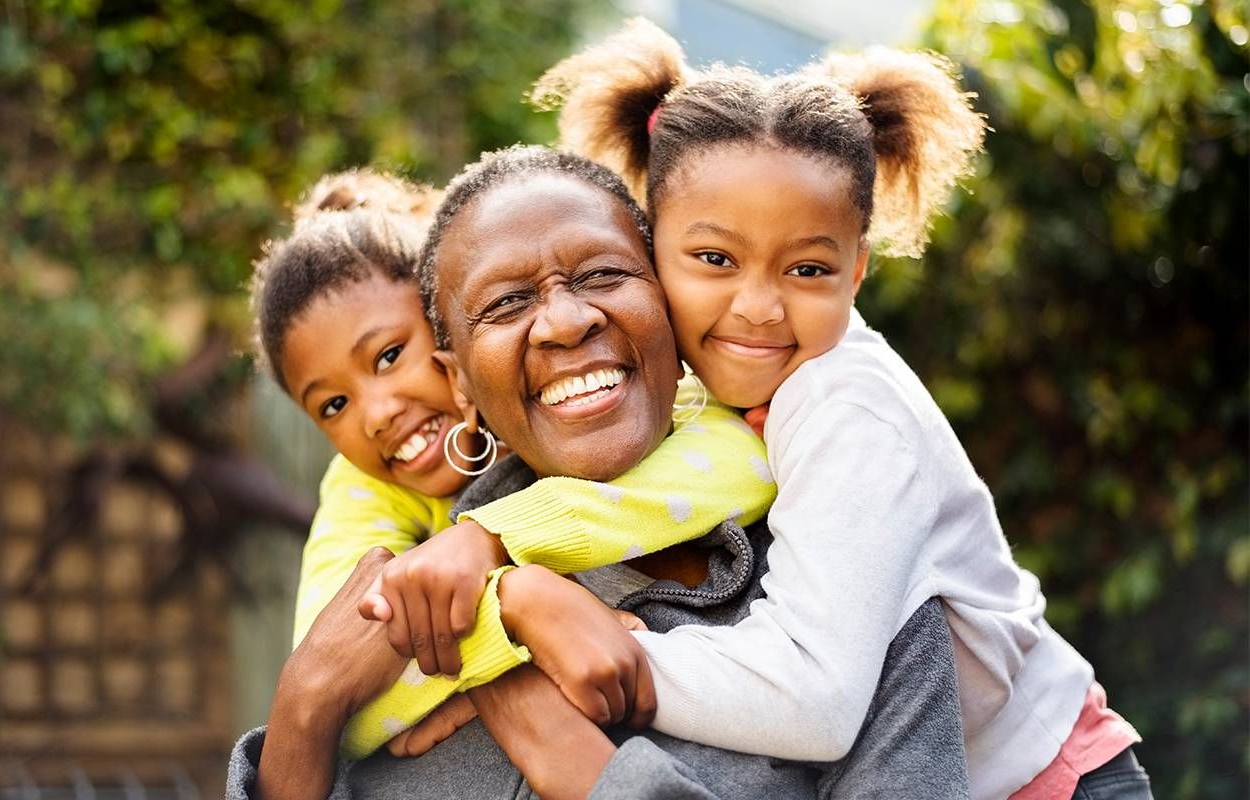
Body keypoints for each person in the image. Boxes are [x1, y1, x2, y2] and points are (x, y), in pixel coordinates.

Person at [524, 17, 1152, 800]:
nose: (757, 306)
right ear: (650, 247)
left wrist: (626, 655)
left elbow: (816, 700)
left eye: (808, 268)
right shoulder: (695, 391)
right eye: (715, 259)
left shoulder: (845, 407)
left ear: (856, 273)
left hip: (1049, 781)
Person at [227, 145, 970, 800]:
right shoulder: (416, 612)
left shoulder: (850, 593)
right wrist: (307, 706)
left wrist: (581, 766)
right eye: (507, 302)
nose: (564, 320)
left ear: (672, 305)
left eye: (605, 274)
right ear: (459, 382)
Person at [248, 167, 777, 759]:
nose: (375, 413)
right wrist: (510, 625)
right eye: (333, 404)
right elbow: (333, 668)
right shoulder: (362, 488)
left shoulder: (642, 390)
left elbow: (745, 461)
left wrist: (497, 541)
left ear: (449, 326)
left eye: (392, 354)